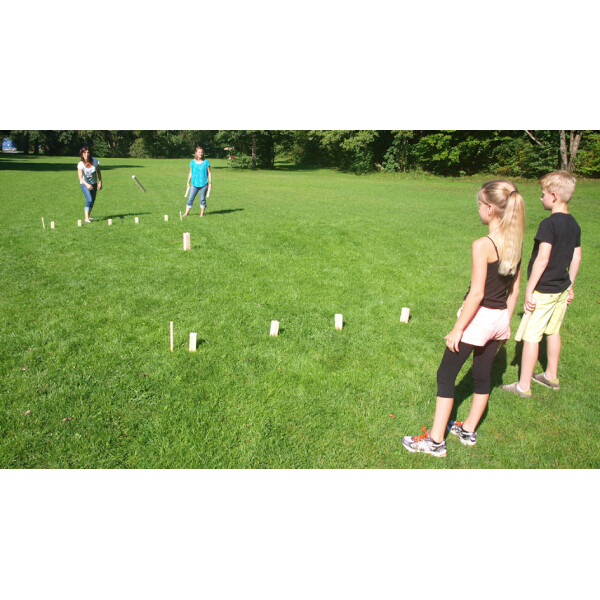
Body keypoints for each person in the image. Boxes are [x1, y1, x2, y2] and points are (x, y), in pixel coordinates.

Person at [402, 180, 525, 457]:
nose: (478, 209)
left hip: (478, 320)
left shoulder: (483, 245)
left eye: (480, 204)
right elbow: (515, 291)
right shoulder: (516, 242)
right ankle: (468, 430)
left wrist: (458, 329)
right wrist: (504, 324)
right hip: (499, 319)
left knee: (445, 374)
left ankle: (435, 441)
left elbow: (477, 293)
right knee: (482, 375)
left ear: (490, 208)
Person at [502, 171, 581, 398]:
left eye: (543, 194)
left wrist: (529, 289)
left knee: (531, 336)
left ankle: (523, 386)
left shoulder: (548, 225)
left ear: (554, 196)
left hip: (544, 290)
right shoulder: (574, 224)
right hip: (561, 289)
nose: (541, 198)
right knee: (553, 331)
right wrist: (570, 285)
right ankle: (551, 375)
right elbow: (576, 257)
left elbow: (543, 258)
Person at [183, 146, 212, 217]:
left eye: (201, 152)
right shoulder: (192, 162)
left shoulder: (206, 162)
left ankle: (201, 214)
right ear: (195, 153)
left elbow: (209, 173)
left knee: (202, 199)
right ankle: (186, 213)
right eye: (199, 152)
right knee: (190, 198)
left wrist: (210, 183)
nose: (200, 153)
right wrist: (188, 182)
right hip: (194, 184)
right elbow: (190, 173)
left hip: (204, 184)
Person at [77, 146, 102, 223]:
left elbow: (99, 172)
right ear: (82, 154)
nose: (86, 154)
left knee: (92, 201)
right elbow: (80, 177)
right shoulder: (80, 164)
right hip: (84, 184)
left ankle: (88, 216)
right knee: (89, 200)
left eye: (88, 152)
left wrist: (100, 182)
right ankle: (86, 218)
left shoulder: (95, 161)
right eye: (85, 153)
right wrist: (87, 185)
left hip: (94, 184)